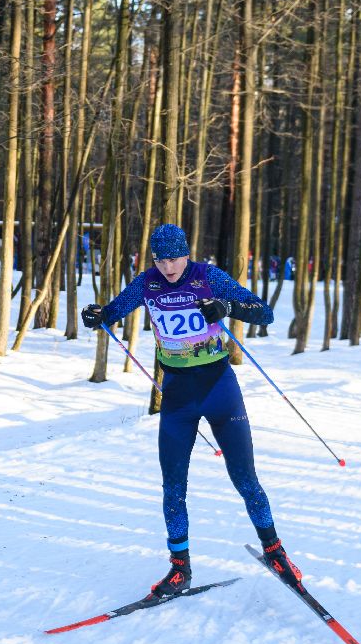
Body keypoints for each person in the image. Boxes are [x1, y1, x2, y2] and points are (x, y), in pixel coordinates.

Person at [79, 223, 300, 597]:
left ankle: (275, 552)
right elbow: (112, 312)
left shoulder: (207, 276)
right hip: (178, 397)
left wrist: (227, 307)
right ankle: (180, 568)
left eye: (174, 259)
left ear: (186, 253)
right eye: (160, 260)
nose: (168, 267)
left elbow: (264, 313)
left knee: (245, 478)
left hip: (220, 391)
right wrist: (96, 315)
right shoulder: (147, 283)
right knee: (173, 486)